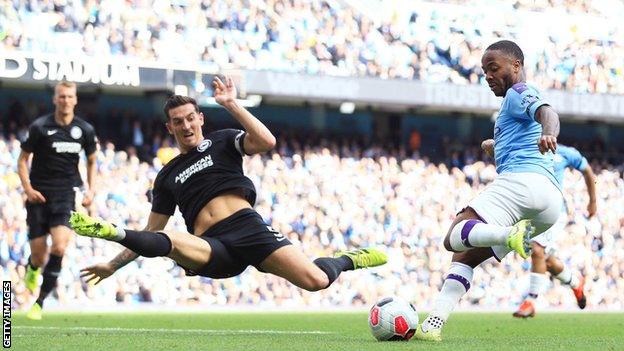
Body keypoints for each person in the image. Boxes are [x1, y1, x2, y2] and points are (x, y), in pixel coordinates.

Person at [71, 76, 387, 295]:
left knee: (316, 280)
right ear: (170, 127)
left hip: (248, 228)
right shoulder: (166, 176)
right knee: (167, 239)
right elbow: (151, 232)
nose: (186, 125)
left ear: (200, 119)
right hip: (211, 246)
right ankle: (110, 230)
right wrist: (113, 265)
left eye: (190, 118)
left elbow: (266, 141)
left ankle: (349, 259)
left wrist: (231, 104)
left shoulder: (221, 141)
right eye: (178, 122)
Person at [415, 40, 563, 342]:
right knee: (465, 258)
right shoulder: (510, 107)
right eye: (485, 71)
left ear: (516, 66)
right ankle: (433, 324)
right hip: (549, 205)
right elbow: (522, 142)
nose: (488, 76)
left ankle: (508, 234)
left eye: (494, 68)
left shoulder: (518, 92)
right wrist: (496, 148)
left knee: (454, 237)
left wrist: (549, 132)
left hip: (525, 184)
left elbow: (547, 113)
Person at [18, 81, 98, 320]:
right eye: (61, 96)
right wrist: (28, 188)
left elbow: (92, 160)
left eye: (69, 96)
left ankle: (39, 303)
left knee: (60, 246)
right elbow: (22, 160)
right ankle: (32, 268)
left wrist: (91, 190)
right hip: (39, 196)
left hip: (65, 195)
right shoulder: (40, 127)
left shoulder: (84, 130)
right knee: (39, 256)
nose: (65, 100)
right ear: (55, 99)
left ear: (75, 100)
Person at [513, 144, 596, 318]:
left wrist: (592, 201)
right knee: (546, 262)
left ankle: (531, 301)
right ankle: (575, 282)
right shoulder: (526, 149)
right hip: (531, 212)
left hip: (556, 212)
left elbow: (587, 170)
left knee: (537, 248)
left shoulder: (565, 153)